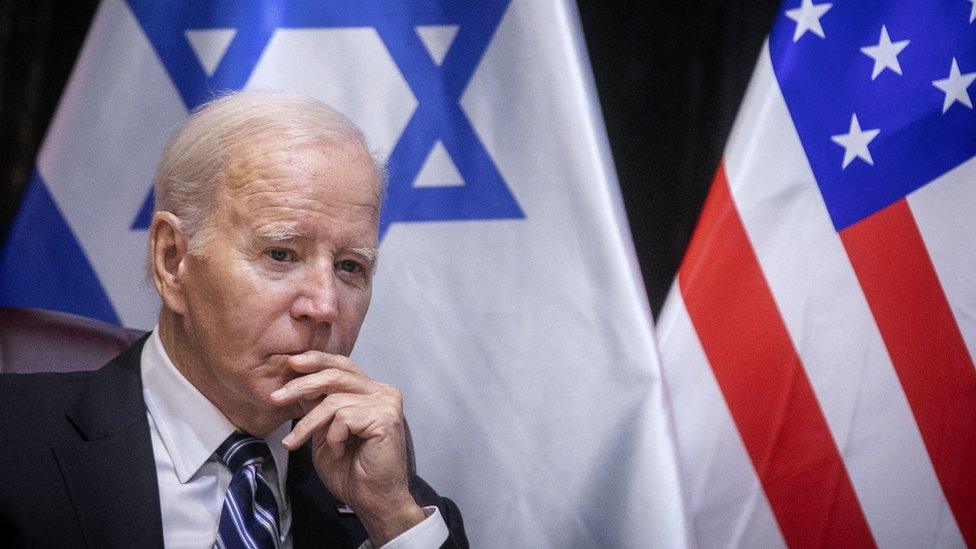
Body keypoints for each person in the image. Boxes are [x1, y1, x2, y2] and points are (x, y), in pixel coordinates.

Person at [0, 90, 467, 548]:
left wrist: (388, 516)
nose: (324, 307)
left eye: (350, 267)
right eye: (281, 254)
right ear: (172, 259)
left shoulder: (394, 505)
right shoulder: (14, 442)